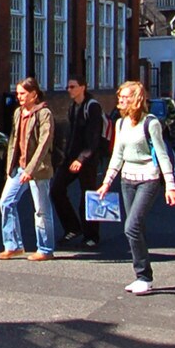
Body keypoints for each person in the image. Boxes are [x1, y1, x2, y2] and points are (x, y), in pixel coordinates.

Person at [98, 79, 175, 295]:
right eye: (119, 97)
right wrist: (107, 182)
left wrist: (170, 186)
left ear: (136, 99)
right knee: (138, 227)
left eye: (124, 98)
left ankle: (144, 276)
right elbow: (117, 155)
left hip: (148, 179)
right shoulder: (121, 123)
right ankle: (141, 276)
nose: (120, 101)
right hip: (127, 180)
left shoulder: (150, 123)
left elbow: (162, 155)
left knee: (131, 227)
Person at [0, 75, 58, 261]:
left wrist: (30, 170)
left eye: (23, 93)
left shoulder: (44, 113)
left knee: (41, 209)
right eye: (18, 94)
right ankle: (13, 246)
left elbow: (44, 143)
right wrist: (11, 166)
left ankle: (45, 249)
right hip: (18, 167)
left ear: (34, 94)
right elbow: (13, 141)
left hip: (38, 169)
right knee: (6, 202)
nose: (19, 97)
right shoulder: (18, 113)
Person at [53, 76, 108, 249]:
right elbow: (71, 136)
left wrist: (81, 159)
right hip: (70, 159)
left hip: (88, 160)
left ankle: (92, 236)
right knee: (56, 190)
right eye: (68, 87)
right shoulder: (73, 107)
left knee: (88, 197)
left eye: (72, 87)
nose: (69, 90)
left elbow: (93, 138)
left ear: (82, 87)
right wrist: (65, 156)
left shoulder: (92, 107)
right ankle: (73, 227)